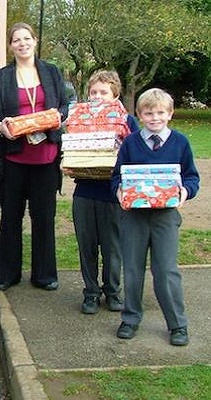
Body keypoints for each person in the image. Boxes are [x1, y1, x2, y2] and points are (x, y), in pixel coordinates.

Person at [0, 22, 69, 292]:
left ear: (34, 41)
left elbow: (64, 106)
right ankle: (8, 274)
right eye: (16, 40)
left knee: (44, 219)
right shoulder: (2, 77)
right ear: (11, 46)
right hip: (14, 160)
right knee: (10, 218)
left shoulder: (52, 72)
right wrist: (0, 128)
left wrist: (57, 117)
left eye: (26, 38)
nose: (22, 43)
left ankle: (44, 275)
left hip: (46, 158)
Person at [110, 88, 200, 346]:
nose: (155, 118)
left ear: (170, 114)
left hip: (165, 217)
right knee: (133, 269)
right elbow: (118, 176)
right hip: (134, 217)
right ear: (139, 115)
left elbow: (192, 176)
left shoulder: (180, 142)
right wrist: (119, 191)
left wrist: (185, 191)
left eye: (160, 112)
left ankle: (177, 325)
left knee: (166, 270)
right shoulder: (130, 143)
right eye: (148, 113)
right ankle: (130, 318)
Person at [69, 70, 140, 314]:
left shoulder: (127, 121)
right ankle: (90, 293)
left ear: (115, 94)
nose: (97, 97)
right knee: (86, 246)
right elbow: (70, 149)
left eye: (103, 92)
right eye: (93, 92)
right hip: (84, 192)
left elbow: (135, 153)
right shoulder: (78, 118)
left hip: (112, 194)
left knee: (112, 247)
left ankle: (112, 291)